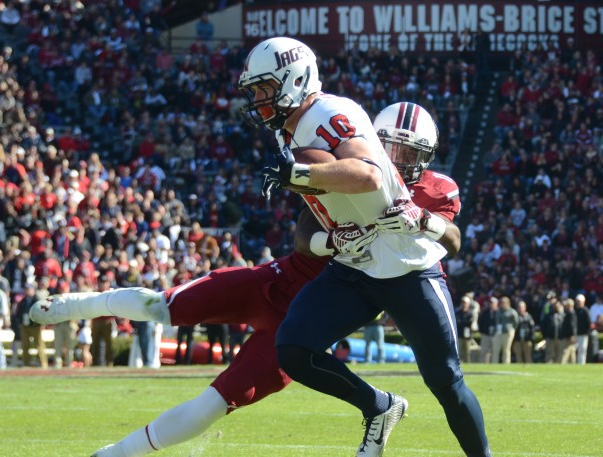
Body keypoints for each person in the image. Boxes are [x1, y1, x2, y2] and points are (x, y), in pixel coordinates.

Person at [29, 104, 470, 457]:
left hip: (318, 312)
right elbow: (304, 231)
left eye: (407, 154)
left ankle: (114, 455)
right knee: (164, 305)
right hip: (280, 279)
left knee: (212, 403)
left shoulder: (428, 191)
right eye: (388, 148)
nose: (394, 161)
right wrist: (331, 239)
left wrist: (422, 224)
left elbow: (436, 250)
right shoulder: (348, 168)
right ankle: (74, 305)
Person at [239, 38, 488, 457]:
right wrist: (333, 238)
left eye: (265, 88)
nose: (259, 99)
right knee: (294, 348)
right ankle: (379, 406)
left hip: (408, 268)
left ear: (294, 80)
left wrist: (297, 174)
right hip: (355, 267)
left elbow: (369, 175)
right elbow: (307, 226)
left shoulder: (327, 114)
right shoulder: (293, 128)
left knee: (446, 381)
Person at [15, 282, 48, 368]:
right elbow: (18, 313)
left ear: (33, 290)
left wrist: (41, 324)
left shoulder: (37, 300)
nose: (27, 291)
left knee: (39, 345)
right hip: (25, 326)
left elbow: (42, 313)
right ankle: (26, 363)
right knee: (25, 345)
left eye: (28, 289)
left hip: (35, 326)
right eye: (26, 289)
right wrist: (20, 323)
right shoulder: (23, 301)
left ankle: (43, 364)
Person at [491, 296, 518, 364]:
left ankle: (506, 363)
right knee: (495, 349)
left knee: (506, 349)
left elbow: (516, 322)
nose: (502, 304)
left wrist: (511, 329)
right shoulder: (498, 311)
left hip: (508, 332)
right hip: (499, 332)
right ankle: (494, 364)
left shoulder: (512, 312)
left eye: (503, 303)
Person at [478, 297, 498, 363]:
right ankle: (484, 365)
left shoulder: (499, 312)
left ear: (496, 304)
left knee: (494, 351)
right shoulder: (485, 312)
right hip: (486, 334)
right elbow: (480, 322)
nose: (491, 304)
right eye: (490, 303)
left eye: (492, 303)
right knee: (484, 351)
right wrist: (482, 331)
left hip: (495, 335)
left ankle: (493, 365)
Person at [455, 295, 474, 363]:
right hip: (460, 334)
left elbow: (469, 323)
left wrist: (463, 323)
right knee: (459, 352)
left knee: (467, 352)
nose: (464, 304)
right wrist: (464, 323)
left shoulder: (470, 313)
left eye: (465, 302)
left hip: (467, 335)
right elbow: (458, 323)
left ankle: (467, 364)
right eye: (463, 302)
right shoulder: (458, 312)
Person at [574, 294, 590, 364]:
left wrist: (587, 332)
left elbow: (588, 323)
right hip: (575, 334)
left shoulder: (585, 310)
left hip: (583, 334)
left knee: (582, 350)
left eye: (579, 301)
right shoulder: (574, 310)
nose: (578, 303)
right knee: (574, 350)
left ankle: (582, 363)